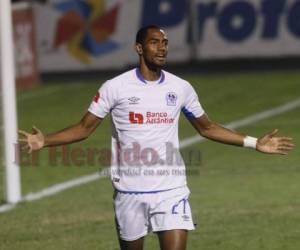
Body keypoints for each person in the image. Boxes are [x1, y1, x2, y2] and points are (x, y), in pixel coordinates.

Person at [19, 25, 294, 250]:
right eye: (154, 42)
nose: (162, 47)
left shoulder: (181, 87)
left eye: (165, 42)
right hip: (129, 192)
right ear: (139, 48)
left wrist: (253, 142)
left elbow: (207, 127)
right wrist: (45, 141)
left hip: (170, 189)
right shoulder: (115, 87)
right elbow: (84, 128)